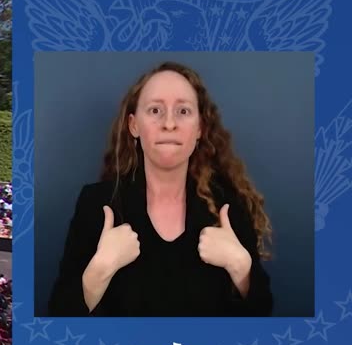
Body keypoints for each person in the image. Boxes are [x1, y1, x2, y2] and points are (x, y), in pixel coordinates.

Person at [48, 61, 273, 317]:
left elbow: (262, 315)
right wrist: (99, 270)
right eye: (155, 110)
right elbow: (59, 315)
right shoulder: (97, 203)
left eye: (183, 111)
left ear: (200, 127)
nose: (168, 123)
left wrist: (240, 267)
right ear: (134, 125)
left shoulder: (229, 206)